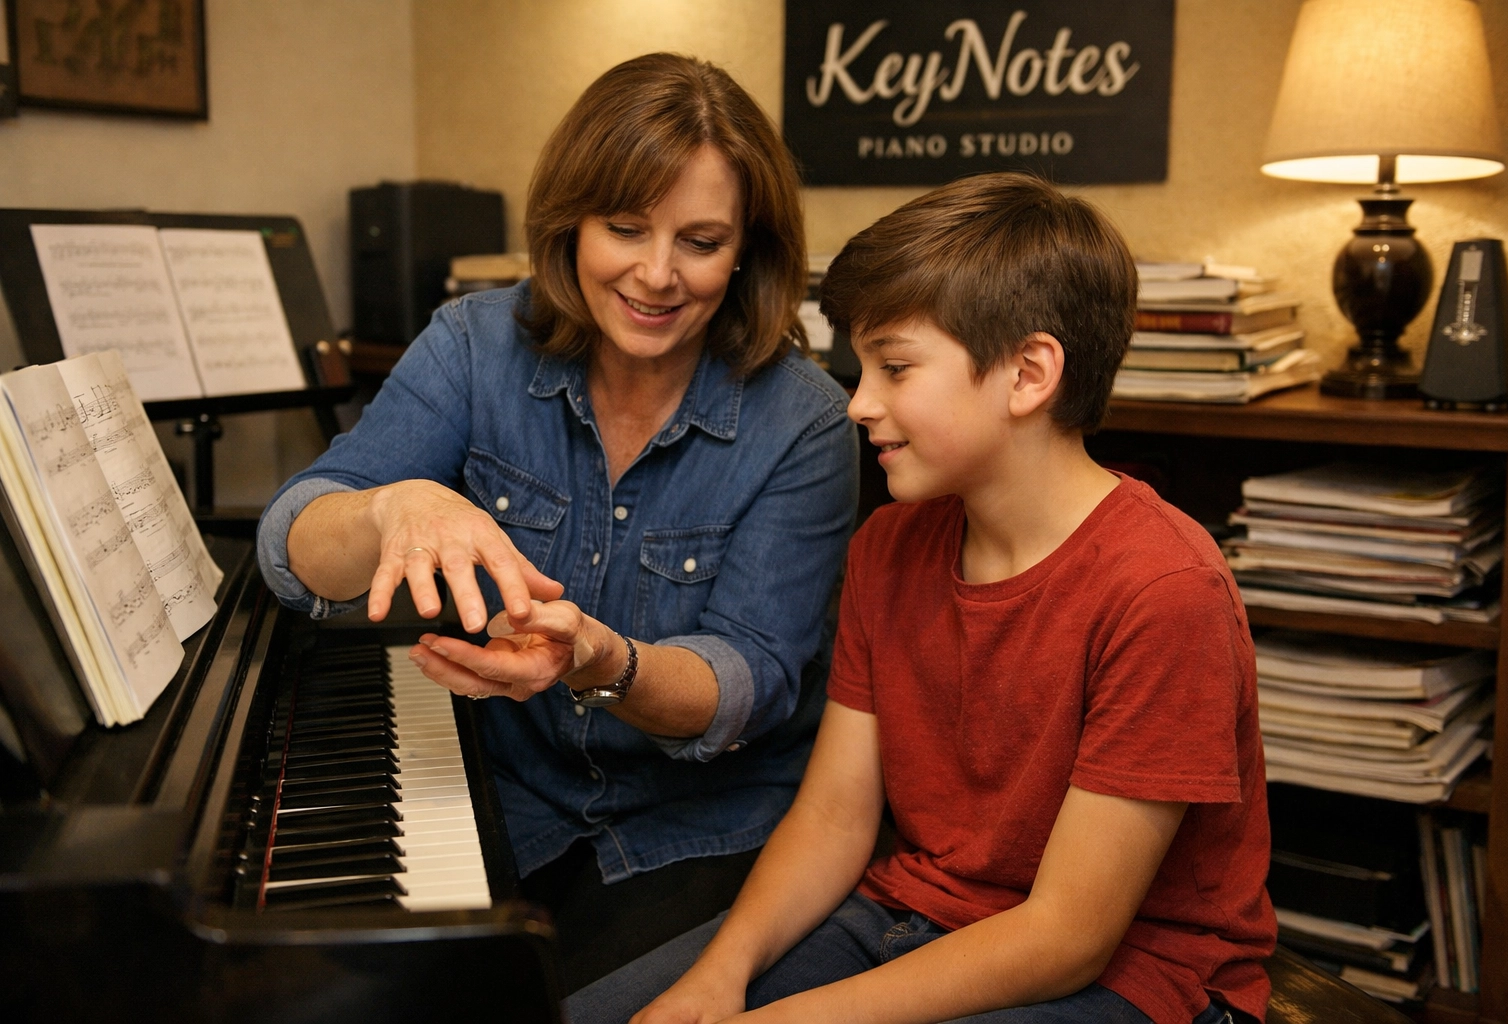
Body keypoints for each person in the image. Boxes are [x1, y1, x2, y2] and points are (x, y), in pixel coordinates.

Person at [565, 173, 1277, 1024]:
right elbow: (833, 819)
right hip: (908, 913)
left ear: (1028, 373)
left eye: (895, 368)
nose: (860, 403)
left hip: (1132, 977)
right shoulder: (890, 546)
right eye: (861, 369)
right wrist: (720, 977)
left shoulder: (1165, 590)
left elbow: (1068, 937)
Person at [255, 53, 858, 991]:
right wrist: (390, 506)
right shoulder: (474, 345)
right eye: (625, 228)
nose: (656, 275)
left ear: (749, 250)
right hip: (510, 796)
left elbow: (752, 679)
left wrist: (601, 659)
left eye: (701, 241)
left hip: (703, 826)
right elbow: (290, 545)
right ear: (570, 220)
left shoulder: (806, 422)